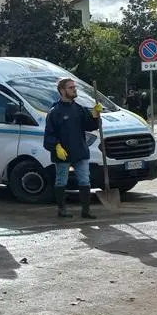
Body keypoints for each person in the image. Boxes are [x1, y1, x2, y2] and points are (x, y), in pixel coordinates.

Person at [43, 77, 102, 219]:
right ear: (62, 91)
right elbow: (48, 135)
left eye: (74, 87)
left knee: (84, 180)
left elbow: (91, 126)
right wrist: (56, 146)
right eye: (71, 87)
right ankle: (61, 209)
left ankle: (86, 211)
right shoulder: (54, 112)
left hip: (80, 151)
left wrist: (95, 115)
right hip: (62, 154)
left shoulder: (79, 108)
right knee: (61, 181)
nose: (74, 89)